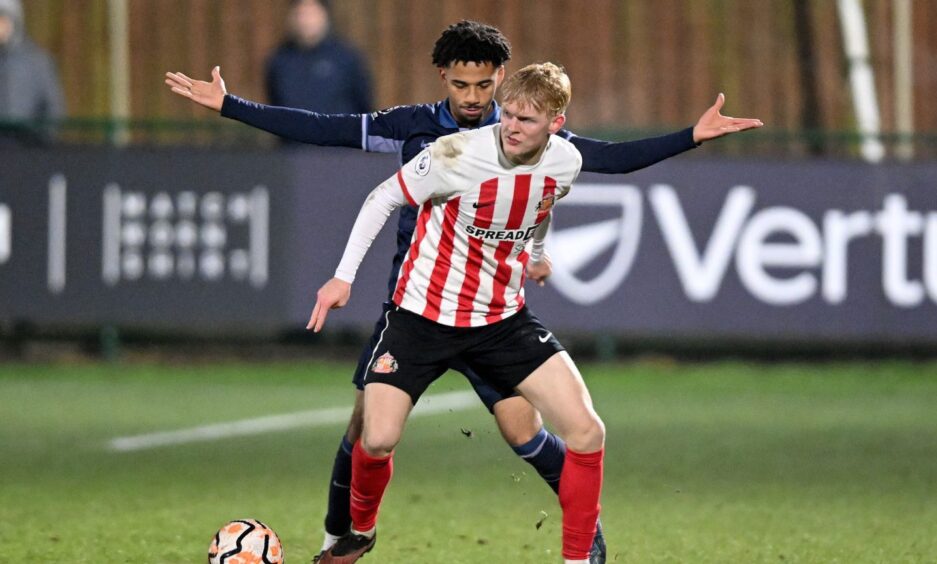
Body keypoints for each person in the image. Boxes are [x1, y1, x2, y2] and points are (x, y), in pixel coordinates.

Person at [164, 20, 762, 563]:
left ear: (501, 82)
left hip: (493, 310)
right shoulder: (427, 135)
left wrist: (536, 251)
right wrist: (232, 106)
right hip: (418, 299)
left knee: (524, 432)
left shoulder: (537, 138)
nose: (473, 99)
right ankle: (339, 539)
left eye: (483, 86)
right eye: (461, 85)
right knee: (366, 430)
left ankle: (585, 531)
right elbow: (325, 130)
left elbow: (582, 174)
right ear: (445, 80)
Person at [309, 61, 618, 563]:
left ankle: (579, 557)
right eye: (509, 114)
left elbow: (538, 206)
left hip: (500, 321)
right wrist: (343, 277)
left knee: (587, 430)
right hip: (420, 317)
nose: (513, 127)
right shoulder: (455, 152)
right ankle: (360, 533)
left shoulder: (566, 162)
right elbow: (383, 197)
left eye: (527, 120)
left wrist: (536, 257)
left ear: (556, 124)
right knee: (378, 437)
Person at [266, 0, 372, 115]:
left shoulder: (346, 58)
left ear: (324, 15)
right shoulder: (280, 60)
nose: (305, 21)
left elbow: (363, 104)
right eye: (300, 14)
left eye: (311, 14)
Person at [0, 0, 65, 146]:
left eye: (2, 19)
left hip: (29, 150)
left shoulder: (37, 62)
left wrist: (40, 140)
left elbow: (54, 109)